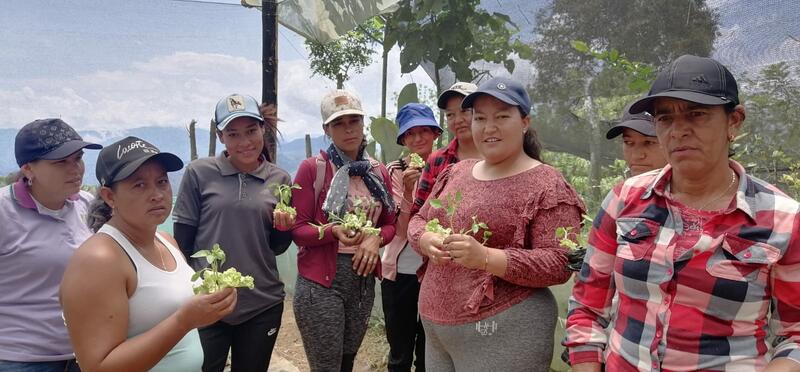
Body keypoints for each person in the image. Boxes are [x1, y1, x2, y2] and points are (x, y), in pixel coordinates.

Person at [565, 55, 800, 372]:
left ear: (734, 121)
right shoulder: (624, 200)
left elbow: (795, 335)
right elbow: (587, 308)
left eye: (697, 114)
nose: (678, 131)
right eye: (665, 119)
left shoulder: (782, 219)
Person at [408, 77, 586, 372]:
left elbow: (559, 262)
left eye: (502, 116)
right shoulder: (456, 172)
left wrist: (488, 258)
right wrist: (425, 239)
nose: (489, 128)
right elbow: (419, 219)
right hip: (437, 332)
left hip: (503, 330)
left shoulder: (547, 184)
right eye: (480, 118)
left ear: (525, 121)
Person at [60, 136, 237, 371]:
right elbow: (98, 366)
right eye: (139, 185)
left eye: (162, 181)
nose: (157, 194)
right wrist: (183, 321)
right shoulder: (99, 260)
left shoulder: (166, 241)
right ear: (109, 196)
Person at [172, 93, 294, 372]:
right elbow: (182, 243)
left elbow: (276, 247)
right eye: (233, 133)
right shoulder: (199, 173)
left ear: (263, 128)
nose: (245, 142)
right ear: (220, 135)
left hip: (261, 302)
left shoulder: (280, 179)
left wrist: (283, 228)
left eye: (251, 130)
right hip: (208, 302)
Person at [289, 89, 397, 372]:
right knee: (327, 366)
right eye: (338, 123)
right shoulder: (314, 169)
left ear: (364, 124)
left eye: (354, 121)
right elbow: (298, 230)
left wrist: (375, 238)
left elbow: (390, 224)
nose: (348, 129)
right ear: (326, 129)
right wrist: (332, 231)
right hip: (321, 283)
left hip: (362, 282)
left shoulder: (377, 171)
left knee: (347, 362)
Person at [0, 119, 101, 372]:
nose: (75, 169)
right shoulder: (4, 211)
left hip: (83, 354)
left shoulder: (86, 205)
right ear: (28, 169)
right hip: (21, 359)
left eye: (77, 158)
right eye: (60, 162)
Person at [381, 103, 443, 372]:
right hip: (401, 268)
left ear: (434, 133)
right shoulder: (393, 171)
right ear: (403, 139)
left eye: (424, 131)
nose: (418, 139)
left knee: (430, 350)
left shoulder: (449, 167)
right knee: (399, 349)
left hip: (436, 269)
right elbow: (399, 228)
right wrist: (409, 191)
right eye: (411, 133)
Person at [411, 82, 480, 215]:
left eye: (464, 111)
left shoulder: (496, 156)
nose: (458, 120)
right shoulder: (437, 160)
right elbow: (419, 212)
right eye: (450, 115)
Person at [605, 103, 667, 177]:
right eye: (628, 142)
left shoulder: (682, 187)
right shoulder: (623, 188)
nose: (636, 155)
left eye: (649, 142)